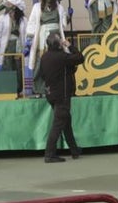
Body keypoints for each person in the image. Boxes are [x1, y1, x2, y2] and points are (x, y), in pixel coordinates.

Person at [35, 33, 84, 163]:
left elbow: (42, 75)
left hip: (51, 93)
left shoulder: (44, 57)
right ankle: (49, 154)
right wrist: (69, 46)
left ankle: (74, 150)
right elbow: (80, 58)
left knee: (66, 122)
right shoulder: (62, 57)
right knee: (58, 124)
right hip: (62, 95)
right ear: (58, 44)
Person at [26, 0, 67, 96]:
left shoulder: (59, 8)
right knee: (41, 61)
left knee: (56, 61)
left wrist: (67, 18)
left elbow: (63, 24)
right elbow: (32, 22)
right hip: (42, 37)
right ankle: (39, 89)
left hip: (56, 37)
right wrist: (29, 37)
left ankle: (56, 88)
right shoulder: (37, 7)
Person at [0, 0, 27, 89]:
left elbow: (26, 33)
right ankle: (8, 89)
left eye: (9, 5)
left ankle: (18, 89)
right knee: (7, 67)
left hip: (19, 47)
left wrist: (27, 46)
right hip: (6, 47)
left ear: (15, 7)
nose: (7, 7)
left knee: (18, 68)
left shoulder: (23, 20)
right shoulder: (2, 18)